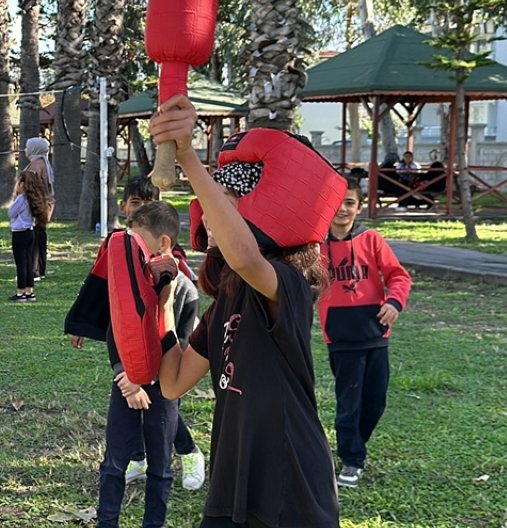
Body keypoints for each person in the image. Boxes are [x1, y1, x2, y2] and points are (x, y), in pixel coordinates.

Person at [149, 94, 340, 528]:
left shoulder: (287, 287)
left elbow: (246, 258)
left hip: (292, 486)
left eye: (222, 204)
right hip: (233, 483)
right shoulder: (224, 308)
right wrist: (160, 309)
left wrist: (189, 158)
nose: (207, 217)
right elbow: (174, 383)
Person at [77, 178, 206, 492]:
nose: (141, 210)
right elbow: (100, 288)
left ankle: (188, 451)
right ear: (124, 208)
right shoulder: (118, 248)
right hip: (129, 354)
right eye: (136, 203)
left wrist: (145, 375)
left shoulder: (175, 275)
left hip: (165, 358)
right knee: (130, 400)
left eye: (148, 203)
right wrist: (81, 324)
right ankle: (138, 458)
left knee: (160, 404)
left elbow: (176, 328)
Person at [94, 200, 199, 528]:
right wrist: (124, 375)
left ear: (163, 243)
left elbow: (179, 346)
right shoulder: (127, 278)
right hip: (126, 387)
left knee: (160, 469)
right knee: (114, 463)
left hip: (162, 392)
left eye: (136, 239)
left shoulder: (186, 291)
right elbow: (115, 329)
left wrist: (147, 382)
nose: (130, 244)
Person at [318, 180, 412, 488]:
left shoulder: (371, 240)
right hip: (341, 336)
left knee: (375, 401)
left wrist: (395, 302)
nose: (343, 210)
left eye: (350, 203)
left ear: (359, 207)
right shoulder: (315, 246)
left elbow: (398, 275)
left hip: (374, 332)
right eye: (338, 203)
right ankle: (351, 459)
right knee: (350, 402)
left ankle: (355, 444)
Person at [7, 170, 51, 302]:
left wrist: (14, 197)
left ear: (22, 184)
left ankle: (20, 292)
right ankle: (29, 291)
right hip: (30, 232)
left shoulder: (21, 199)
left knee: (21, 263)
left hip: (19, 233)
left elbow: (11, 213)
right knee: (29, 261)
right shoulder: (32, 199)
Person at [23, 136, 55, 280]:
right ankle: (40, 270)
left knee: (34, 239)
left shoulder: (36, 165)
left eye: (28, 147)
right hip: (44, 205)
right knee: (40, 237)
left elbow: (31, 187)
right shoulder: (43, 162)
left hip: (37, 205)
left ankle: (34, 270)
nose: (25, 150)